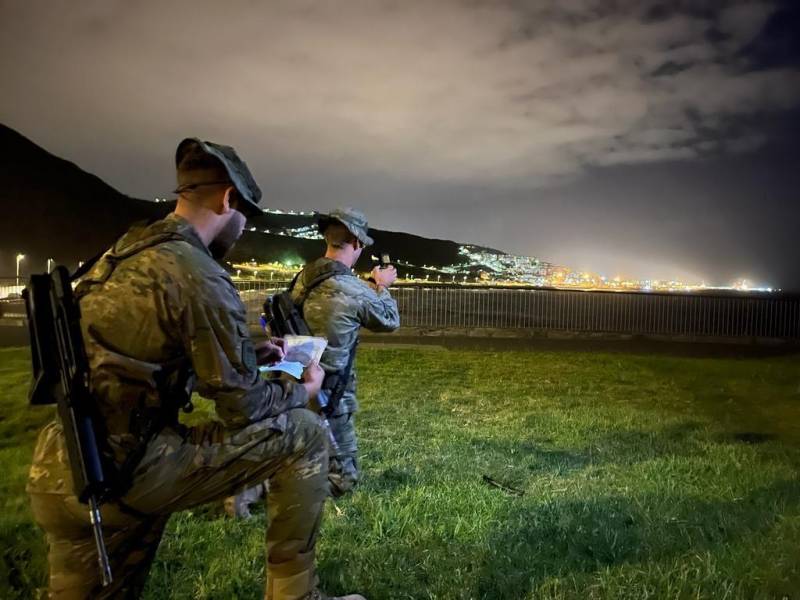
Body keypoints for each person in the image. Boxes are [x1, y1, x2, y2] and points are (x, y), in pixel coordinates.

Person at [26, 138, 365, 600]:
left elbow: (146, 346)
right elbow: (243, 406)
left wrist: (255, 349)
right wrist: (303, 389)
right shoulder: (197, 271)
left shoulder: (121, 255)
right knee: (304, 434)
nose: (242, 228)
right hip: (129, 469)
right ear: (228, 199)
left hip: (64, 466)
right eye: (244, 216)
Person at [295, 207, 400, 496]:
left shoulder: (302, 278)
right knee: (344, 479)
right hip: (332, 392)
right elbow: (389, 321)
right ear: (356, 242)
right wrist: (381, 286)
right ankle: (270, 487)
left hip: (295, 384)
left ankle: (264, 480)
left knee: (297, 448)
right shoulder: (354, 289)